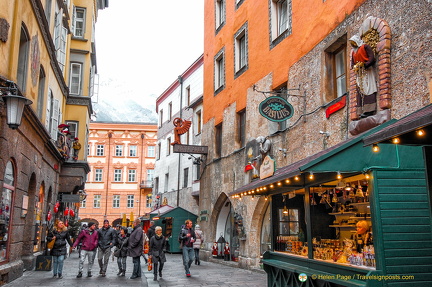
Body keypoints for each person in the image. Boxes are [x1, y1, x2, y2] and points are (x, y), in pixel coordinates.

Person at [349, 35, 378, 118]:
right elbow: (352, 64)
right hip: (360, 73)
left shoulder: (365, 47)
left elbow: (371, 57)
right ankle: (362, 109)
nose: (353, 44)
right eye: (352, 43)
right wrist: (355, 67)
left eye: (354, 42)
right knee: (361, 91)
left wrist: (365, 64)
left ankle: (370, 109)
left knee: (368, 88)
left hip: (367, 71)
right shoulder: (354, 52)